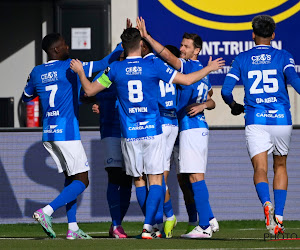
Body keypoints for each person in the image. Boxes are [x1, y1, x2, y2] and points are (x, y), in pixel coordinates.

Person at [70, 27, 224, 239]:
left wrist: (80, 71)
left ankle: (153, 226)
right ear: (141, 45)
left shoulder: (114, 68)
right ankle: (149, 226)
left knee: (139, 181)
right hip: (153, 130)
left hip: (130, 135)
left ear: (124, 46)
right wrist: (208, 69)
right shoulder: (153, 65)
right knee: (157, 180)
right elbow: (187, 80)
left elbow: (88, 91)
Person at [22, 33, 122, 239]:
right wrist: (124, 43)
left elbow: (26, 97)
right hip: (67, 132)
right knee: (83, 180)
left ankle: (73, 228)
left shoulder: (36, 71)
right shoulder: (69, 66)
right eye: (63, 44)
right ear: (56, 50)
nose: (67, 46)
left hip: (49, 132)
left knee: (71, 177)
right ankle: (47, 211)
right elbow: (105, 62)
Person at [137, 17, 219, 238]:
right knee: (190, 177)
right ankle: (208, 219)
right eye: (181, 45)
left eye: (186, 46)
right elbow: (211, 99)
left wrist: (146, 37)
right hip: (191, 127)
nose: (182, 49)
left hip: (190, 127)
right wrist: (203, 104)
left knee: (194, 177)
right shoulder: (201, 69)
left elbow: (166, 55)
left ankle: (203, 225)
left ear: (196, 51)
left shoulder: (190, 66)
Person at [221, 15, 300, 235]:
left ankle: (266, 203)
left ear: (253, 34)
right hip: (281, 119)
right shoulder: (283, 56)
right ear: (273, 35)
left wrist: (233, 105)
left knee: (260, 169)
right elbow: (294, 81)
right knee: (281, 166)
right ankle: (280, 218)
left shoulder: (241, 58)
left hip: (256, 120)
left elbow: (226, 91)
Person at [91, 59, 133, 238]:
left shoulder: (133, 73)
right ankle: (116, 224)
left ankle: (117, 224)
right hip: (111, 131)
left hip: (131, 132)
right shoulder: (107, 73)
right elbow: (86, 93)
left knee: (128, 180)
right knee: (115, 176)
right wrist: (97, 104)